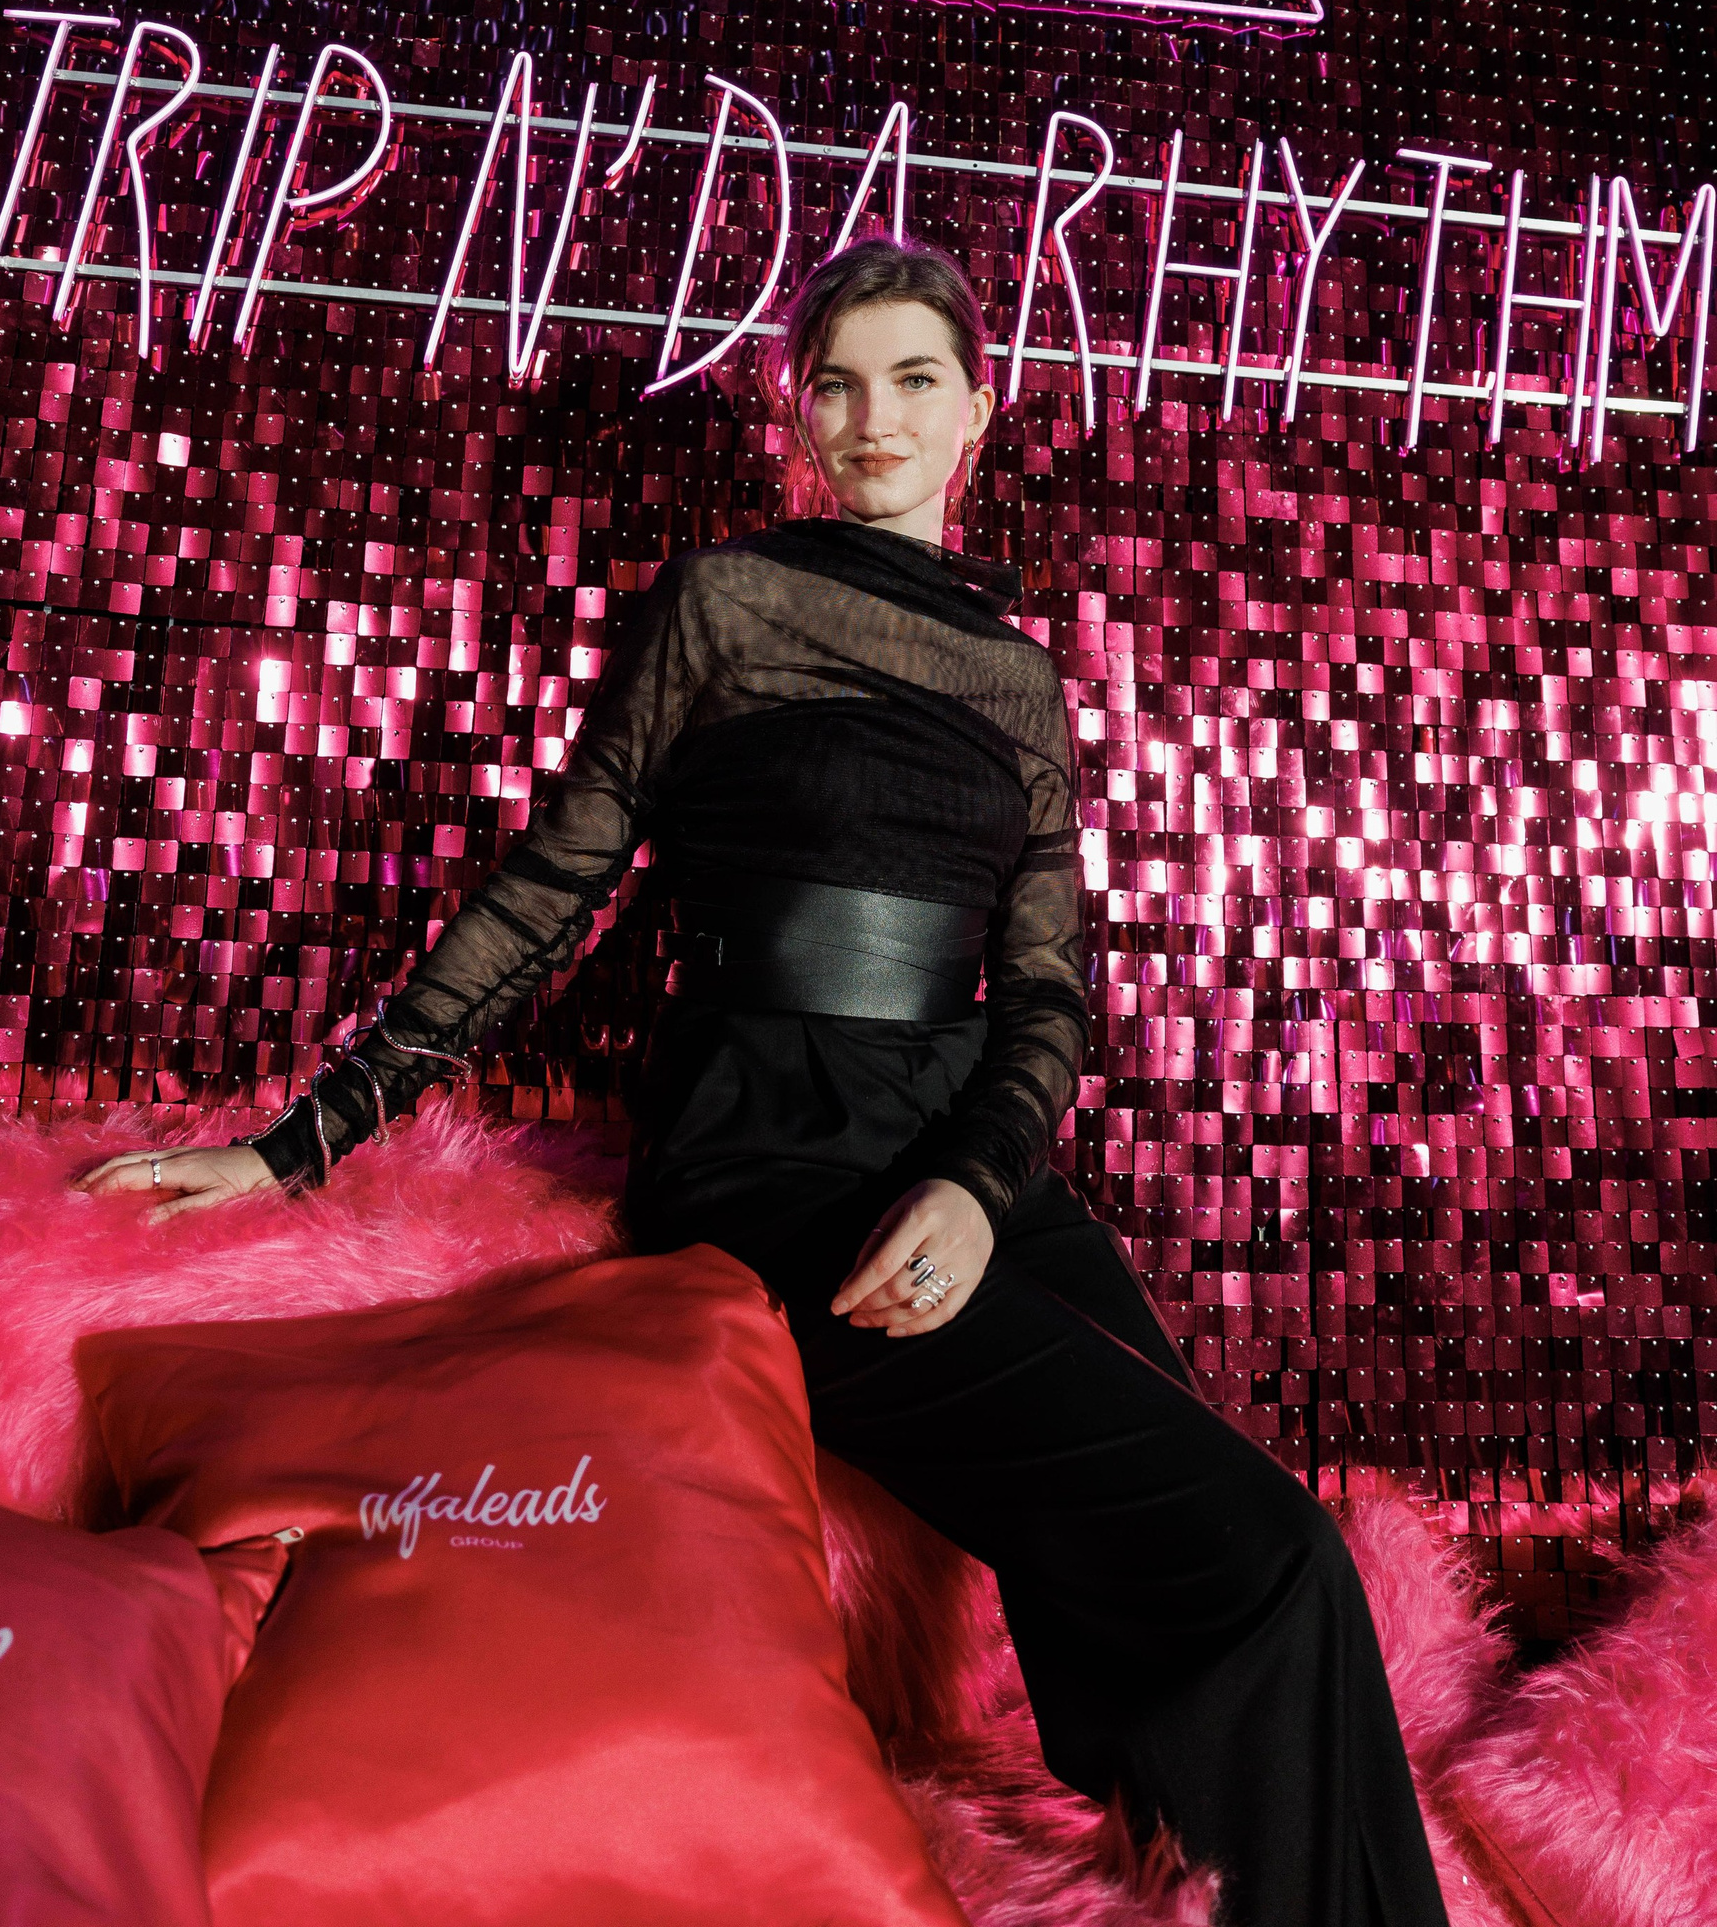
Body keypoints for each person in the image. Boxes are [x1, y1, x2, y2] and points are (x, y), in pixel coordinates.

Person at [83, 235, 1448, 1927]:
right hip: (774, 1159)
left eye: (916, 381)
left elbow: (1046, 993)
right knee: (1274, 1559)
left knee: (1242, 1562)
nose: (877, 419)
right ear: (802, 414)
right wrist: (302, 1143)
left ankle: (1225, 1875)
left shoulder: (1018, 678)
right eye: (840, 385)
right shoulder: (728, 601)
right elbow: (553, 886)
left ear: (980, 412)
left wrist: (976, 1183)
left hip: (966, 1159)